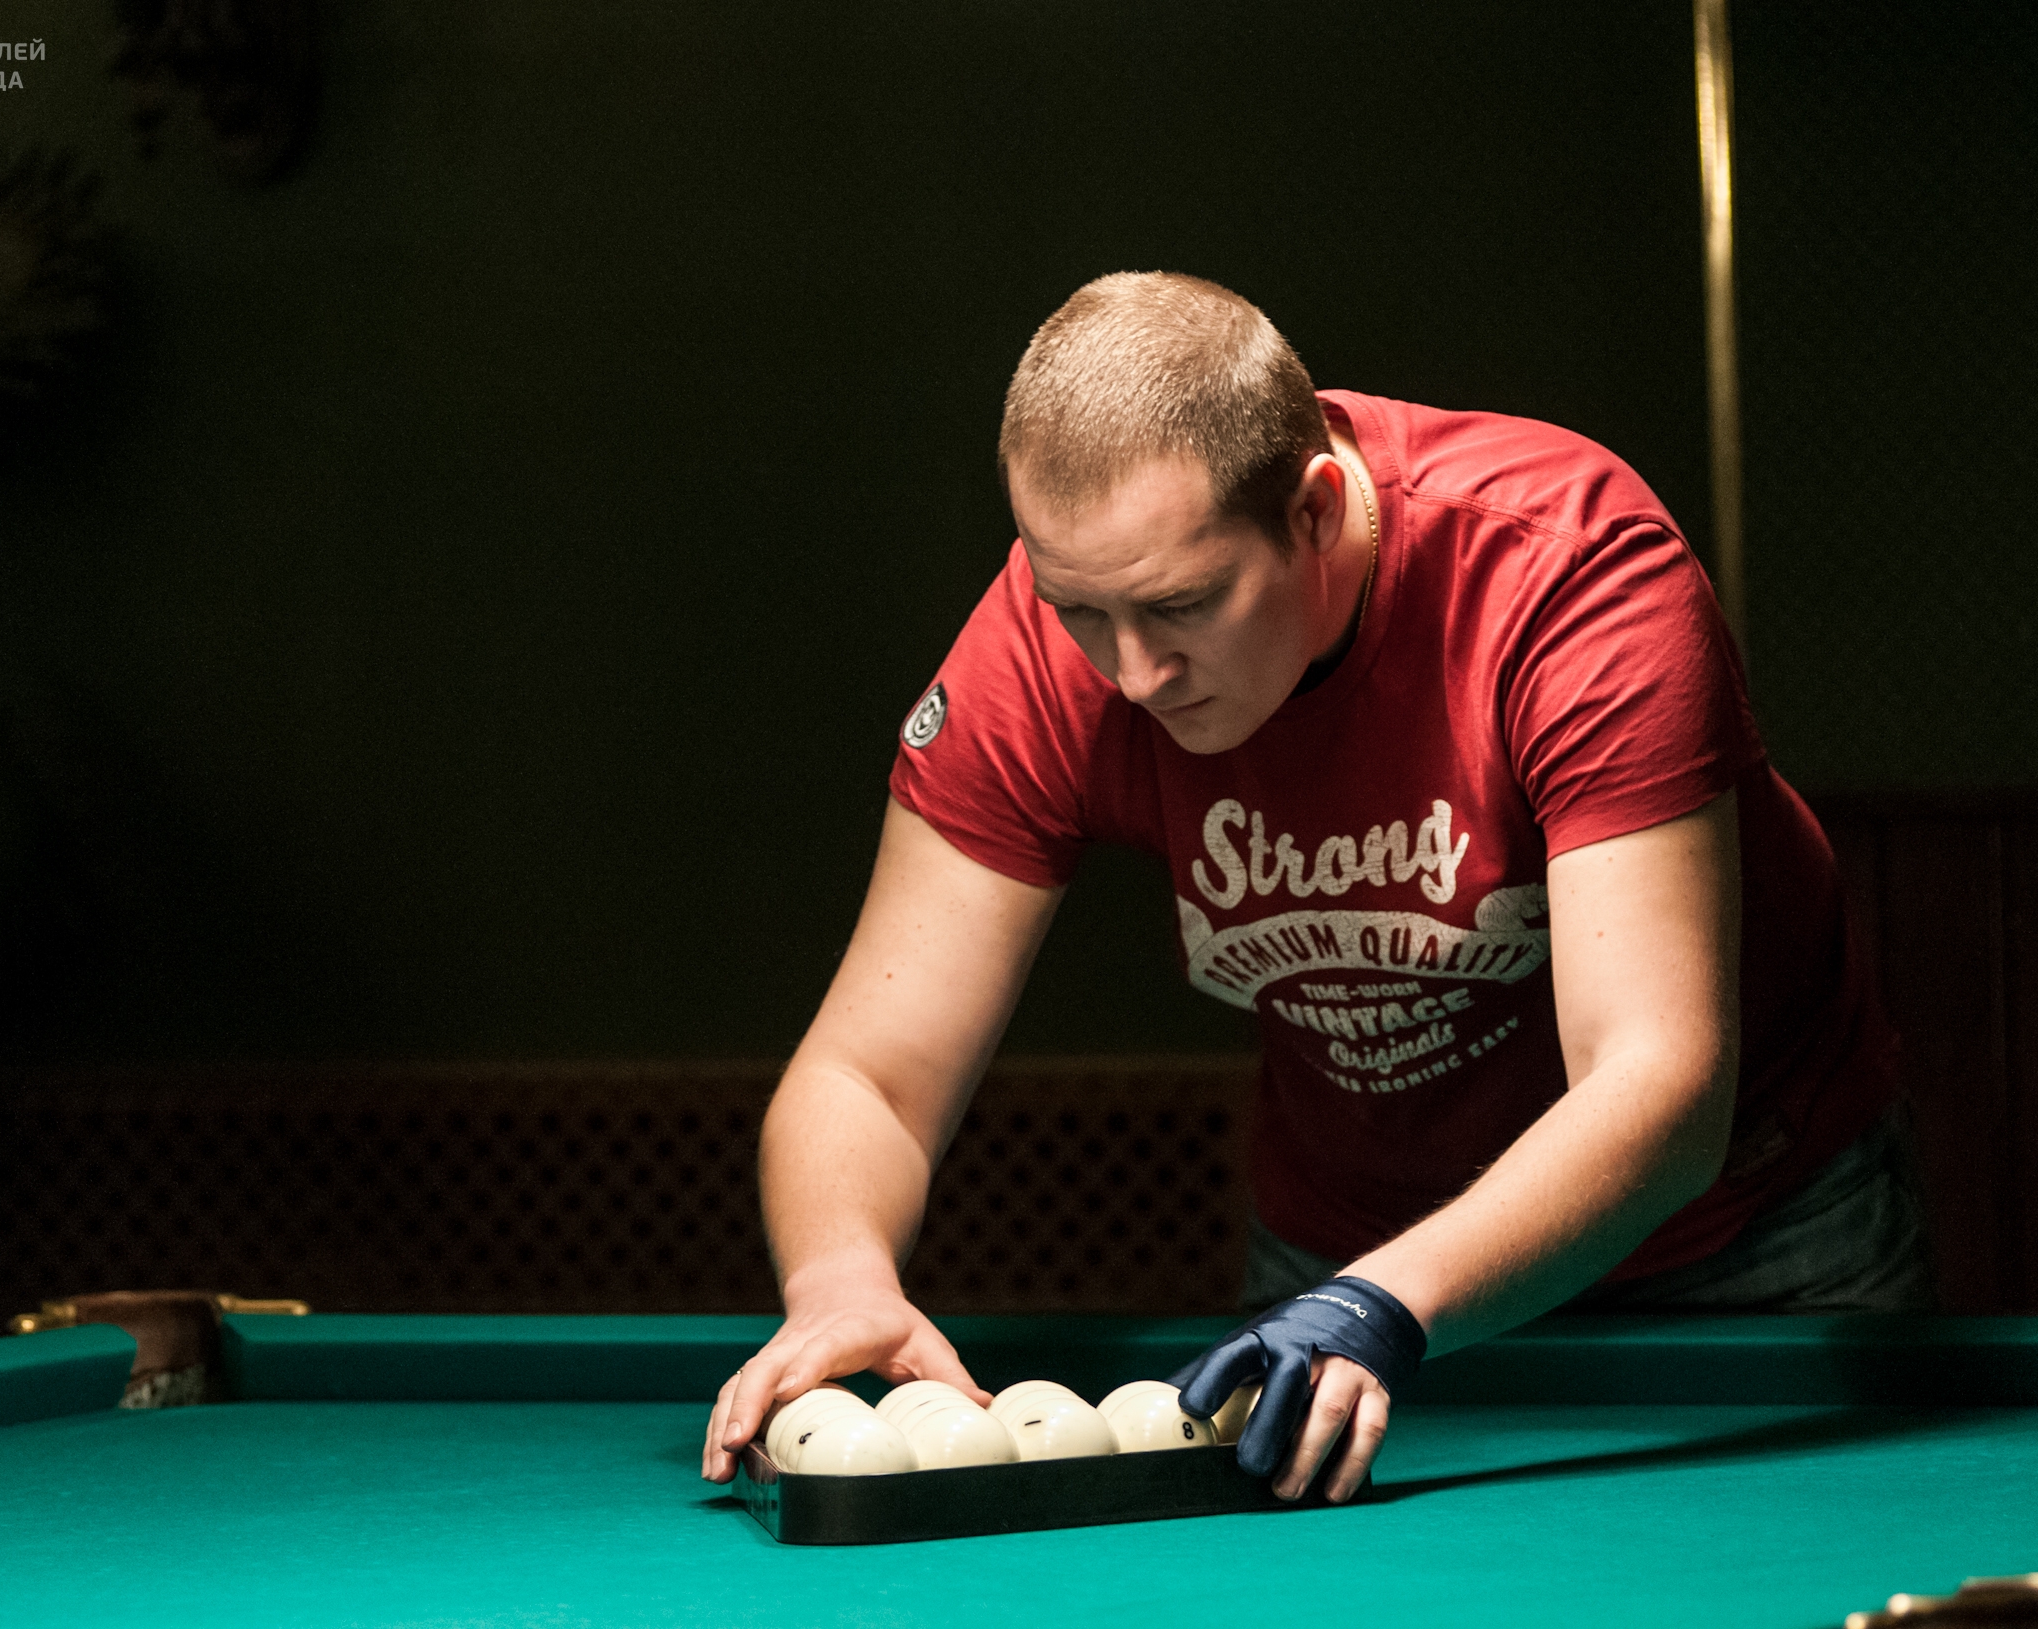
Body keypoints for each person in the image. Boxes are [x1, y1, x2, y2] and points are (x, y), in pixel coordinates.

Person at [699, 272, 1928, 1504]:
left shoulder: (1566, 573)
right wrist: (840, 1281)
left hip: (1743, 1249)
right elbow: (871, 1073)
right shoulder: (1045, 645)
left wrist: (1377, 1302)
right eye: (1079, 610)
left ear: (1316, 511)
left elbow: (1658, 1082)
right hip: (1340, 1265)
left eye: (1182, 605)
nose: (1130, 673)